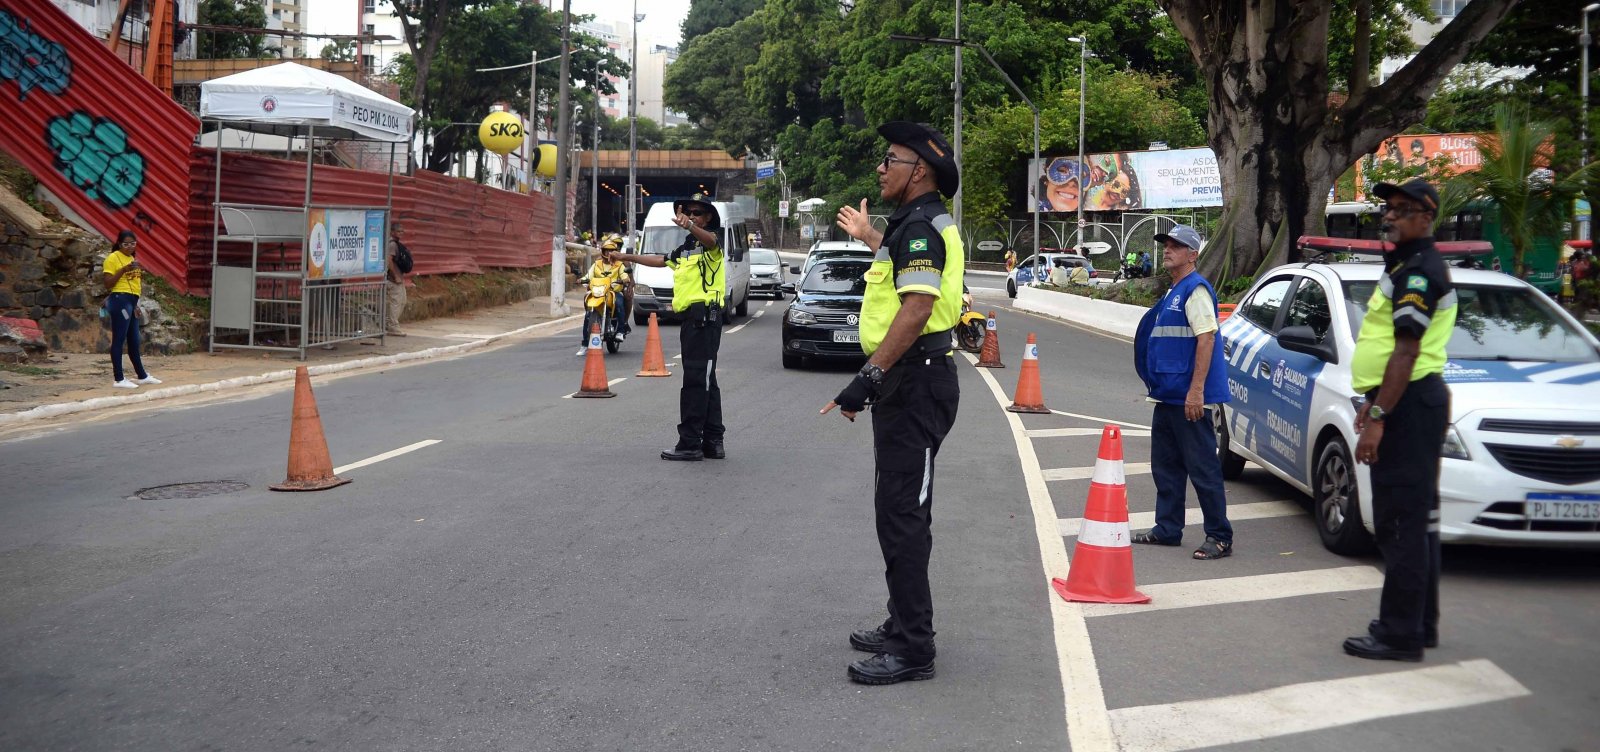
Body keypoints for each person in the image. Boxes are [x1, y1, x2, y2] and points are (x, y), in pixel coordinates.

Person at [827, 121, 963, 686]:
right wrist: (867, 235)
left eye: (891, 160)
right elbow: (905, 268)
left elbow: (916, 306)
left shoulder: (918, 228)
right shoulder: (915, 224)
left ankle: (913, 648)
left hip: (914, 383)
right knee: (899, 512)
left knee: (903, 516)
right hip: (910, 382)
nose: (881, 168)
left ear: (920, 171)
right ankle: (900, 622)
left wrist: (869, 375)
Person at [1343, 177, 1456, 663]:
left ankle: (1398, 634)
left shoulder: (1418, 272)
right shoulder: (1408, 264)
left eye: (1402, 209)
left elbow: (1407, 352)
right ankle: (1420, 623)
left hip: (1409, 405)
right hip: (1409, 400)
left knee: (1399, 524)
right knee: (1419, 522)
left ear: (1426, 217)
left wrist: (1379, 416)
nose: (1389, 216)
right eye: (1388, 207)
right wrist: (1373, 400)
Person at [1131, 224, 1234, 560]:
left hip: (1189, 400)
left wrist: (1196, 393)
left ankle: (1219, 536)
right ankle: (1167, 529)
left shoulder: (1195, 290)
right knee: (1166, 468)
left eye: (1176, 246)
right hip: (1167, 396)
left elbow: (1206, 339)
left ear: (1193, 255)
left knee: (1203, 469)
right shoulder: (1174, 291)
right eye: (1166, 244)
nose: (1168, 249)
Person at [604, 193, 727, 462]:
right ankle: (713, 442)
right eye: (690, 212)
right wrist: (627, 257)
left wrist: (690, 226)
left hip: (704, 321)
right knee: (707, 382)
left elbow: (711, 241)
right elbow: (662, 260)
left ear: (708, 218)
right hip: (693, 322)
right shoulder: (688, 246)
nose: (692, 216)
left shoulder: (710, 242)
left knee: (696, 383)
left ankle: (690, 444)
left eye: (698, 213)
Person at [101, 230, 160, 389]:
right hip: (120, 301)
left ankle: (142, 376)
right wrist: (123, 270)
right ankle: (119, 379)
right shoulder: (113, 258)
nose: (129, 247)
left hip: (130, 303)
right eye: (126, 244)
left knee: (134, 340)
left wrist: (135, 305)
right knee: (119, 339)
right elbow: (108, 284)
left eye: (133, 244)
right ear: (119, 244)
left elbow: (133, 285)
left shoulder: (132, 258)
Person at [576, 235, 632, 355]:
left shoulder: (619, 264)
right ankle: (585, 344)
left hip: (613, 292)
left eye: (612, 251)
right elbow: (589, 275)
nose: (609, 253)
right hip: (598, 292)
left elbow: (625, 276)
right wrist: (582, 279)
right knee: (588, 314)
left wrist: (625, 280)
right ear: (603, 251)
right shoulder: (597, 264)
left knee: (620, 304)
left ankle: (620, 331)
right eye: (607, 250)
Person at [386, 222, 409, 337]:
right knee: (396, 302)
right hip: (393, 279)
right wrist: (394, 275)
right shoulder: (392, 245)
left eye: (402, 231)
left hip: (398, 278)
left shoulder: (396, 244)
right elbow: (389, 261)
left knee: (402, 301)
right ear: (392, 232)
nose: (400, 233)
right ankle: (392, 327)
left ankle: (390, 323)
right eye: (398, 231)